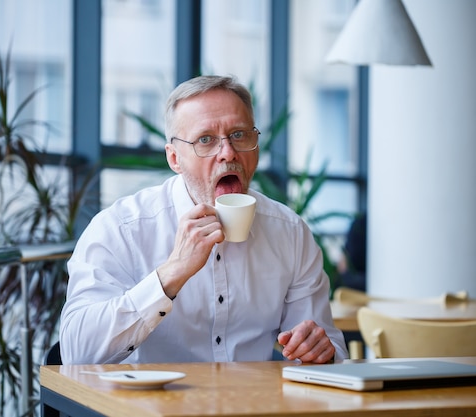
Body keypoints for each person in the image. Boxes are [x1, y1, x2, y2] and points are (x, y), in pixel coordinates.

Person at [59, 75, 348, 365]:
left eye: (239, 134)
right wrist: (171, 274)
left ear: (256, 145)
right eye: (206, 140)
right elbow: (76, 353)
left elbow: (327, 346)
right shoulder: (121, 228)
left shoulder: (290, 233)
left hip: (252, 405)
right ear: (174, 159)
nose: (228, 153)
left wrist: (320, 349)